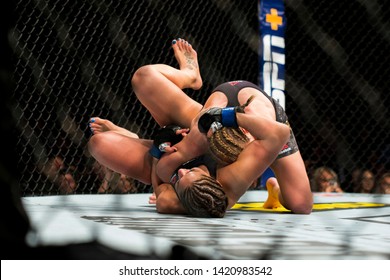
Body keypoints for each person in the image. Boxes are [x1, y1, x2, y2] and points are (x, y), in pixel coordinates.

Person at [88, 38, 313, 217]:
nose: (182, 171)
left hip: (195, 131)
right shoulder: (232, 180)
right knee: (301, 204)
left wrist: (162, 148)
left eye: (178, 180)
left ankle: (135, 132)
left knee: (99, 143)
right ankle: (191, 77)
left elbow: (161, 190)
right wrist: (229, 117)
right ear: (214, 182)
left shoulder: (175, 199)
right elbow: (277, 134)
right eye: (189, 172)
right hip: (254, 120)